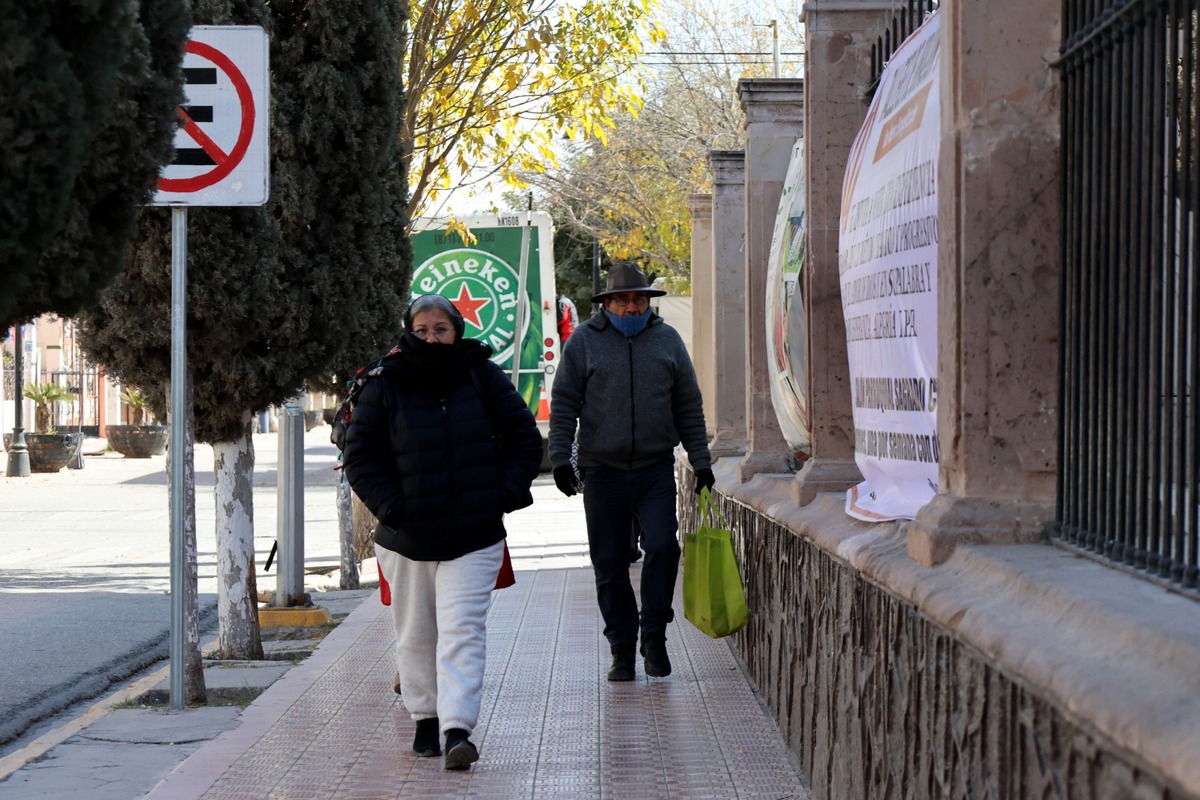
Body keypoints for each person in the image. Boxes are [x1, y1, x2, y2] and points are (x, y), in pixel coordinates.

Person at [343, 293, 542, 770]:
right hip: (406, 538)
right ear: (409, 332)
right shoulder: (384, 382)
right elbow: (360, 456)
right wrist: (392, 508)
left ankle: (458, 730)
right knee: (416, 634)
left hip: (474, 535)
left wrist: (502, 495)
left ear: (457, 331)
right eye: (422, 330)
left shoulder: (481, 375)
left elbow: (524, 437)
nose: (431, 338)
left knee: (462, 632)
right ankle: (425, 720)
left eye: (441, 329)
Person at [548, 262, 715, 681]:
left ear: (647, 302)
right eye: (621, 299)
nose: (630, 307)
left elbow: (688, 404)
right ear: (606, 304)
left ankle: (653, 634)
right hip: (602, 469)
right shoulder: (585, 341)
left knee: (663, 546)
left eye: (638, 299)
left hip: (654, 467)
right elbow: (564, 402)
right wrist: (560, 458)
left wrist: (701, 460)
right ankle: (621, 646)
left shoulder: (667, 340)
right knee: (610, 560)